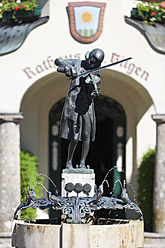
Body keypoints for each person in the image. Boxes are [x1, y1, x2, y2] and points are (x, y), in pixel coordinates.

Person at [55, 48, 104, 169]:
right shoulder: (77, 63)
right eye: (93, 60)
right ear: (89, 56)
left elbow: (94, 85)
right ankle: (69, 162)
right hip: (74, 104)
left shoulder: (95, 71)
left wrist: (93, 92)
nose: (93, 64)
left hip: (86, 106)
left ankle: (82, 163)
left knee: (87, 135)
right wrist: (69, 68)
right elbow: (58, 61)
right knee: (75, 137)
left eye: (97, 63)